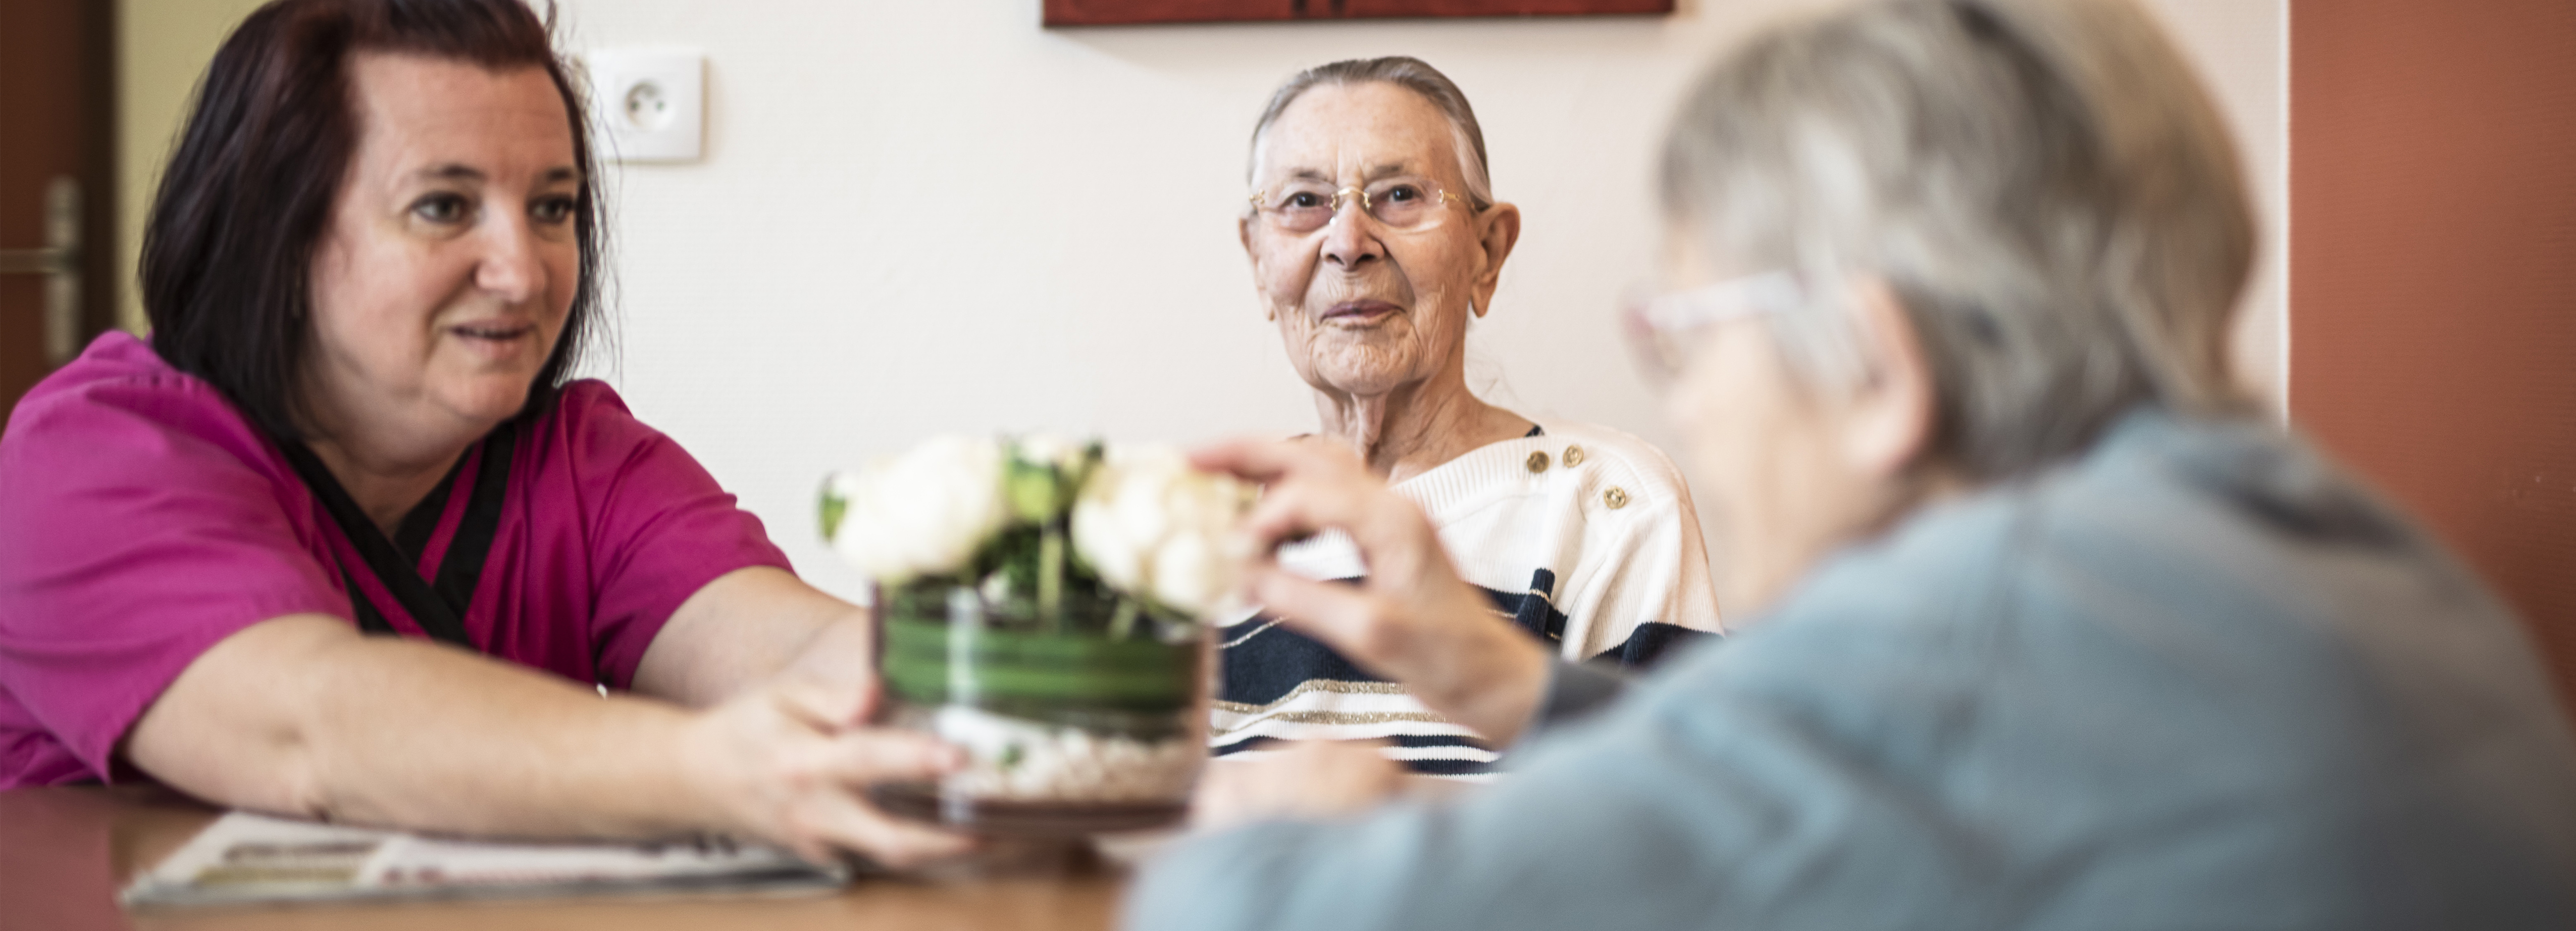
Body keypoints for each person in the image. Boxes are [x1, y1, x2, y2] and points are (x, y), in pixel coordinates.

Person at [1132, 0, 2576, 927]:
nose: (1685, 403)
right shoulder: (2360, 569)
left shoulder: (1967, 635)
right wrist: (1512, 685)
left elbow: (1245, 915)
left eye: (1686, 329)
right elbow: (1774, 788)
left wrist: (1290, 817)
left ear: (1875, 367)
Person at [0, 0, 966, 866]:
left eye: (551, 207)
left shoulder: (586, 462)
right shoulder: (91, 456)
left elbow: (784, 653)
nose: (523, 271)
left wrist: (983, 687)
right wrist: (717, 768)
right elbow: (309, 731)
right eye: (443, 207)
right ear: (276, 235)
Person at [1218, 57, 1724, 777]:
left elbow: (1678, 819)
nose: (1347, 241)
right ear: (1257, 258)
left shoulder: (1608, 506)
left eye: (1397, 195)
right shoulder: (1196, 529)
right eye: (1303, 202)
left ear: (1486, 252)